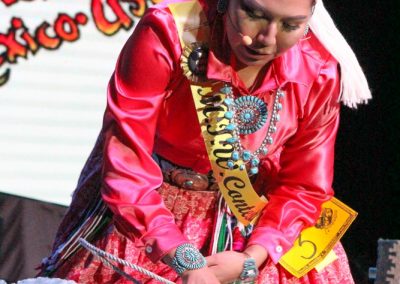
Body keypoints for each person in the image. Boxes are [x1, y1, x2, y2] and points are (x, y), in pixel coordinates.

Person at [39, 0, 371, 283]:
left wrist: (253, 259)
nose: (266, 39)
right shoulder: (169, 33)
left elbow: (304, 187)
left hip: (256, 218)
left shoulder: (319, 70)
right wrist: (180, 256)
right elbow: (127, 161)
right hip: (151, 210)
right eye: (254, 14)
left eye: (291, 24)